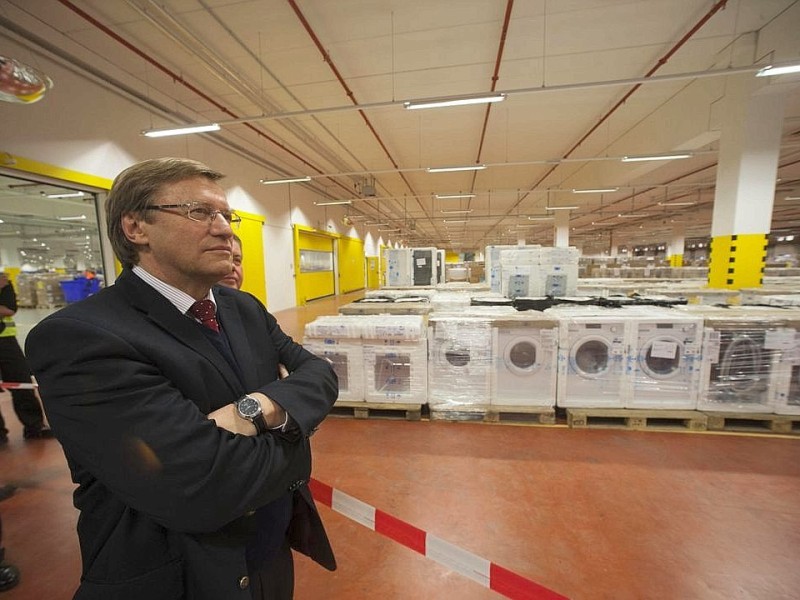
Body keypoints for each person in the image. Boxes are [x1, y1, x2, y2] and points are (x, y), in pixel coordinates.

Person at [25, 157, 338, 600]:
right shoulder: (80, 337)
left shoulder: (241, 308)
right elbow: (201, 487)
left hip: (268, 559)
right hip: (179, 576)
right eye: (199, 212)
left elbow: (321, 374)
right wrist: (295, 437)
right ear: (136, 228)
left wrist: (254, 410)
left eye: (226, 216)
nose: (226, 229)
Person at [0, 271, 54, 444]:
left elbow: (9, 310)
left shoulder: (4, 281)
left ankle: (34, 426)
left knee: (21, 381)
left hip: (5, 340)